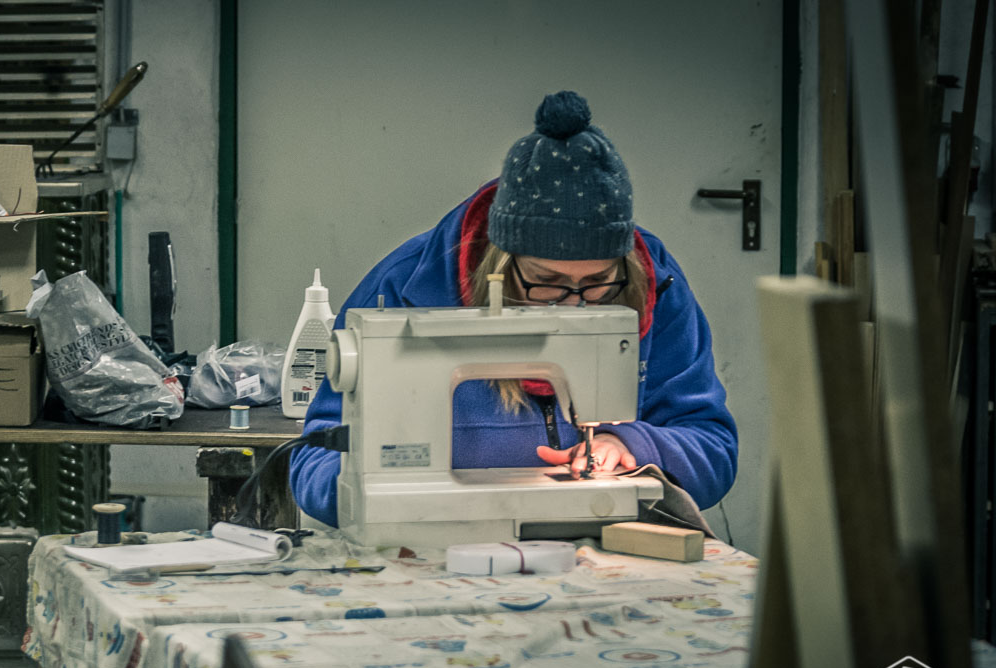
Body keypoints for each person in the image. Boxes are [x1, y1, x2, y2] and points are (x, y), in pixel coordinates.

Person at [288, 90, 738, 527]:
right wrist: (379, 489)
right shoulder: (403, 289)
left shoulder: (656, 283)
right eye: (548, 283)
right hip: (430, 551)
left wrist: (632, 444)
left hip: (602, 549)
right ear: (498, 268)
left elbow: (713, 447)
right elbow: (313, 458)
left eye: (598, 284)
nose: (576, 305)